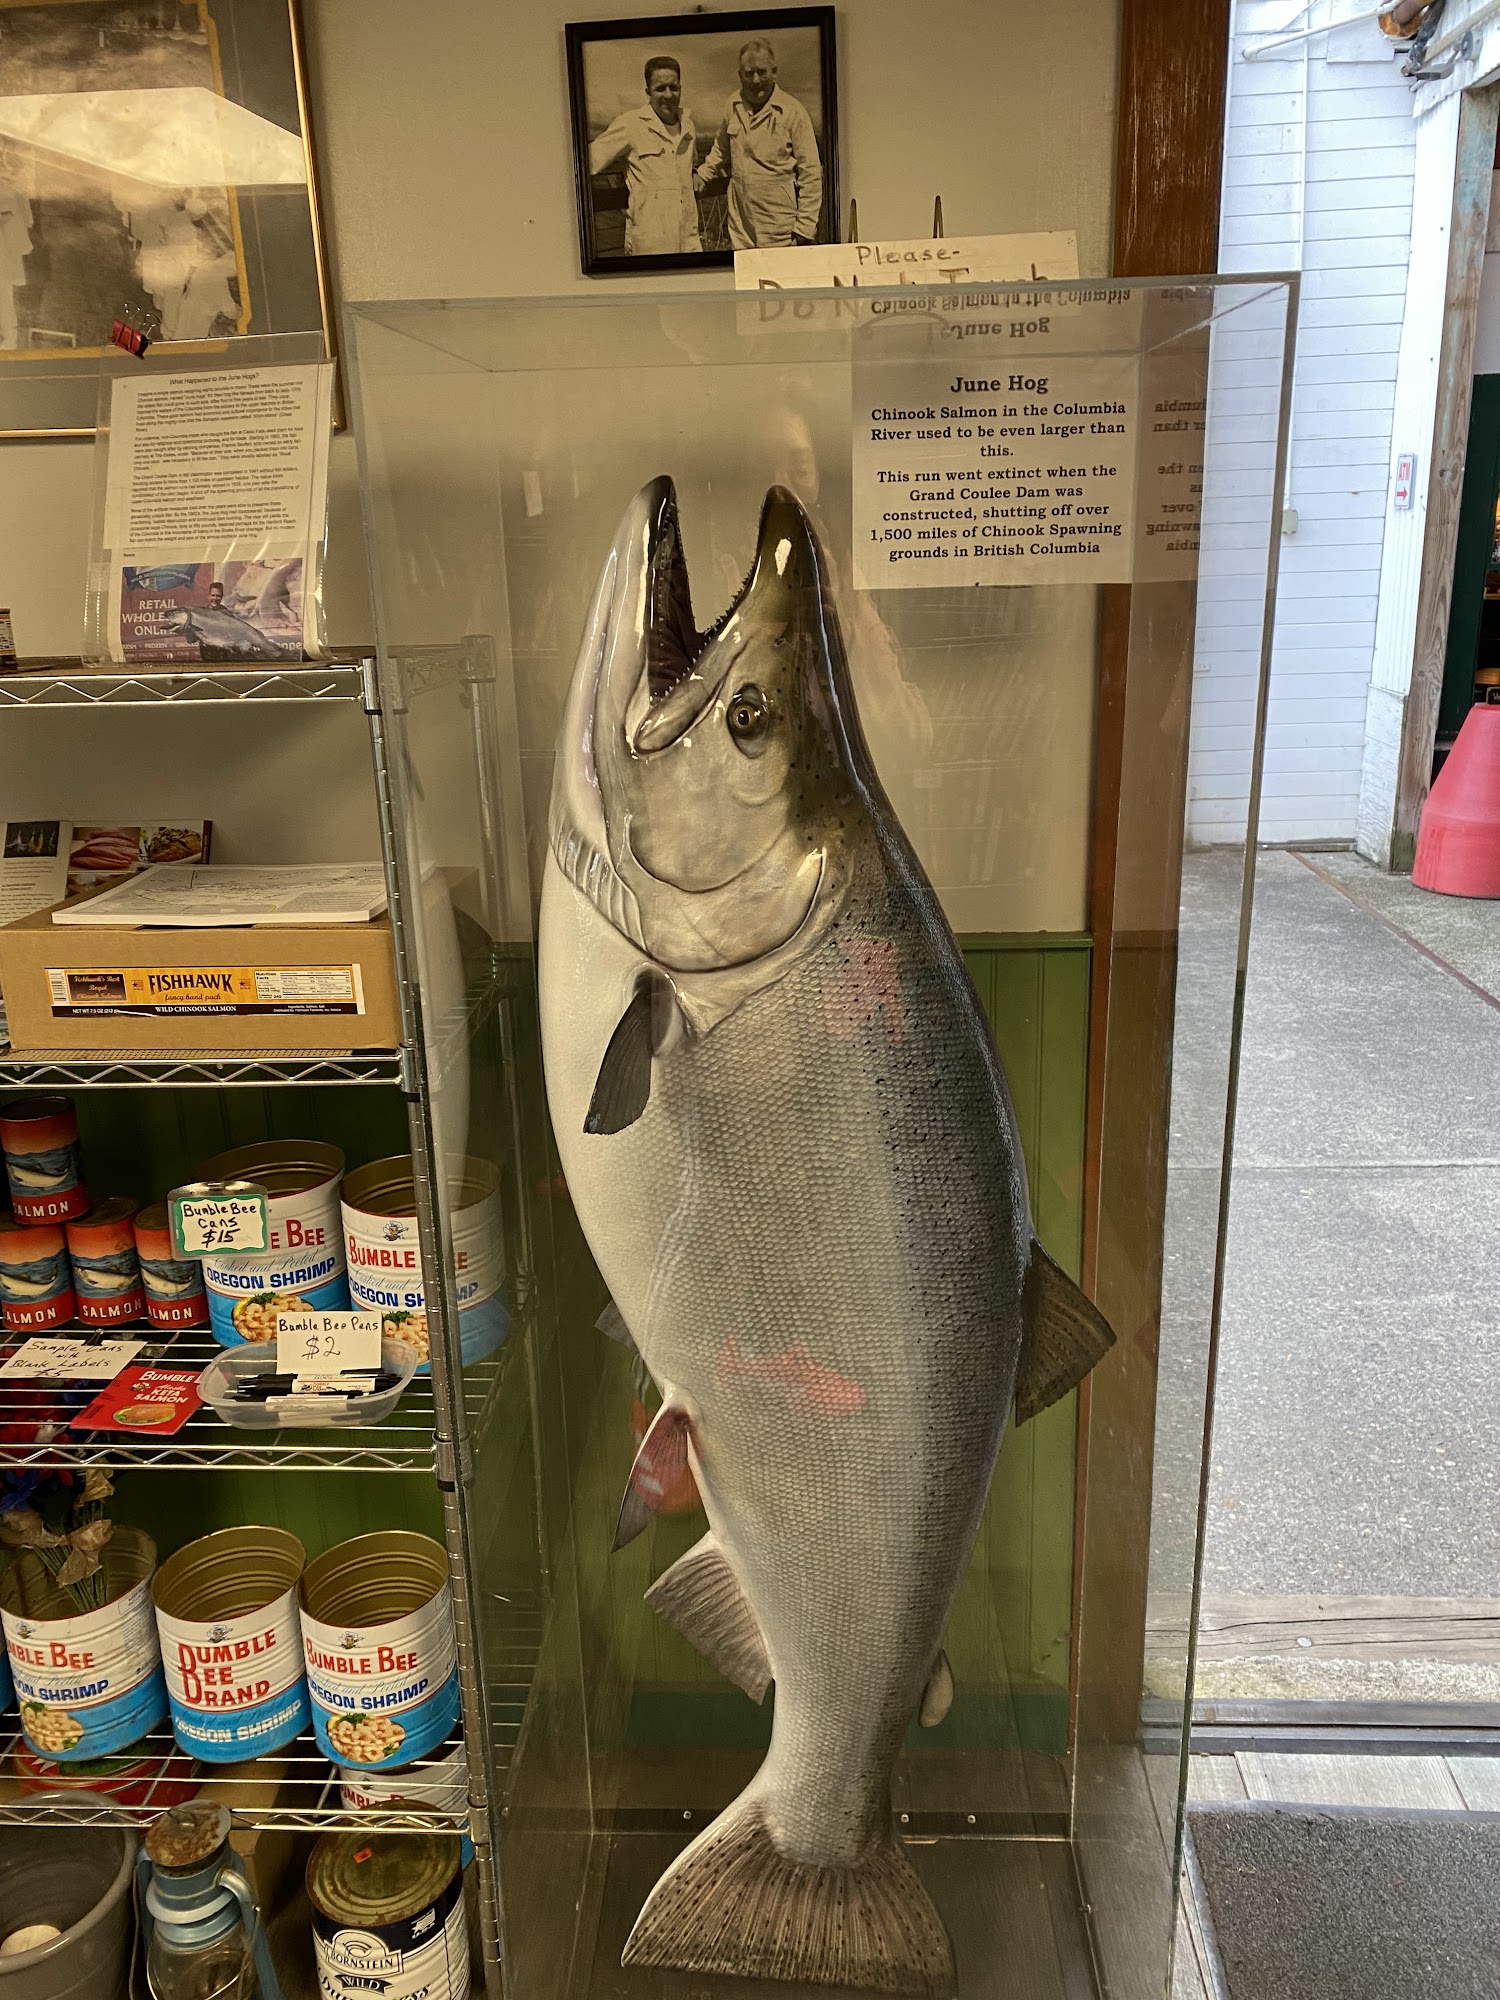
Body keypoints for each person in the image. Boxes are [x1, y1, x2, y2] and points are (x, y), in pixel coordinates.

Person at [695, 39, 822, 250]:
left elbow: (811, 172)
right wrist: (703, 174)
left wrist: (804, 228)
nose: (755, 80)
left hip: (781, 227)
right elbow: (721, 148)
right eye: (748, 73)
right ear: (740, 75)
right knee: (745, 282)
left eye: (762, 72)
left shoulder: (792, 112)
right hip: (741, 227)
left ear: (774, 71)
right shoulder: (732, 105)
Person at [589, 56, 702, 257]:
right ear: (648, 91)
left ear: (680, 88)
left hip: (689, 238)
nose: (668, 95)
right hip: (650, 241)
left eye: (673, 87)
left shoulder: (688, 125)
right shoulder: (630, 124)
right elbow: (587, 162)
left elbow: (687, 165)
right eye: (660, 88)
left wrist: (694, 173)